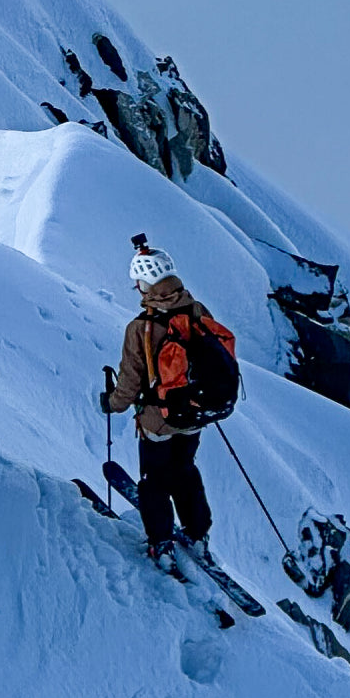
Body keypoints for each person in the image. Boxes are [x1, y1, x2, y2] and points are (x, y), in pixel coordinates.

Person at [104, 238, 232, 576]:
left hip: (158, 421)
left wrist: (111, 403)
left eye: (138, 283)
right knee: (186, 471)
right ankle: (197, 534)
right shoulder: (197, 310)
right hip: (195, 414)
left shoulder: (141, 328)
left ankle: (161, 542)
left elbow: (130, 384)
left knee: (154, 480)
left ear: (145, 283)